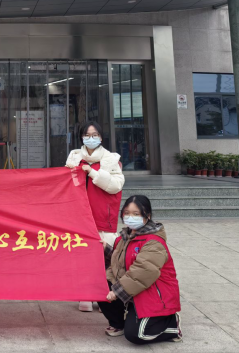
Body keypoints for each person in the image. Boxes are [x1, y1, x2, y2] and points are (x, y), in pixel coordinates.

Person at [98, 195, 182, 344]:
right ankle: (119, 324)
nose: (130, 217)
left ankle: (170, 324)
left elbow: (143, 272)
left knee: (136, 335)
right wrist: (106, 249)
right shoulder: (124, 237)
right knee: (100, 285)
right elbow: (121, 261)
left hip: (153, 292)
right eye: (127, 213)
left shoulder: (153, 242)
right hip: (136, 289)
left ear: (147, 216)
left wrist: (116, 292)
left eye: (136, 214)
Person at [65, 121, 125, 313]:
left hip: (102, 215)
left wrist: (92, 173)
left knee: (104, 257)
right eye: (87, 135)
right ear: (81, 137)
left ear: (101, 137)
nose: (91, 138)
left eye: (95, 135)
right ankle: (85, 294)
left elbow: (116, 185)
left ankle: (104, 294)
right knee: (82, 255)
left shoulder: (111, 159)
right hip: (79, 215)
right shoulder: (74, 157)